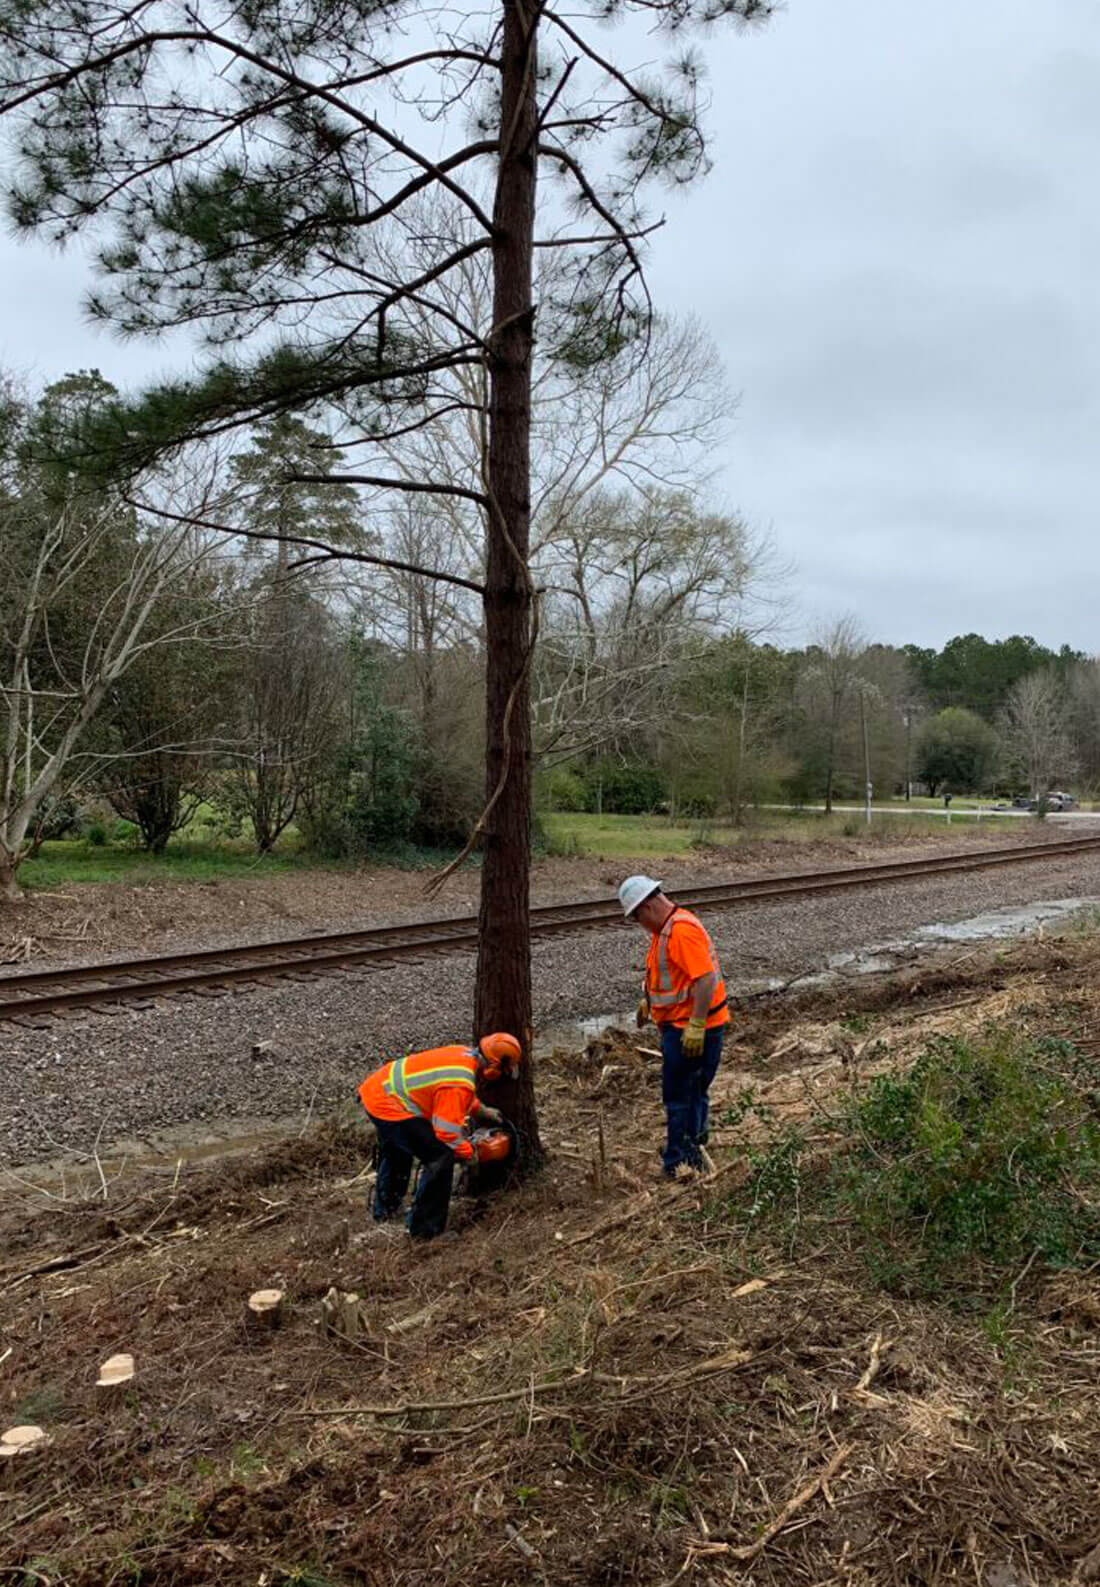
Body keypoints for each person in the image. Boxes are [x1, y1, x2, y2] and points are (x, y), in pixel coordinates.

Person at [357, 1033, 521, 1239]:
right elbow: (447, 1133)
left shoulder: (462, 1055)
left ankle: (385, 1211)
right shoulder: (461, 1082)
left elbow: (447, 1091)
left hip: (378, 1090)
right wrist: (470, 1153)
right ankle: (426, 1232)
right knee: (440, 1156)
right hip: (388, 1104)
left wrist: (481, 1110)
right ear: (494, 1067)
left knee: (398, 1150)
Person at [618, 875, 729, 1179]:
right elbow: (668, 974)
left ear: (650, 905)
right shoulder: (665, 929)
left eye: (638, 916)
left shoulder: (680, 932)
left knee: (681, 1096)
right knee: (692, 1092)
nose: (640, 923)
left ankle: (680, 1162)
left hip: (690, 1030)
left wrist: (695, 1025)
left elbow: (704, 979)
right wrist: (649, 1002)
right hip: (682, 1025)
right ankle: (694, 1145)